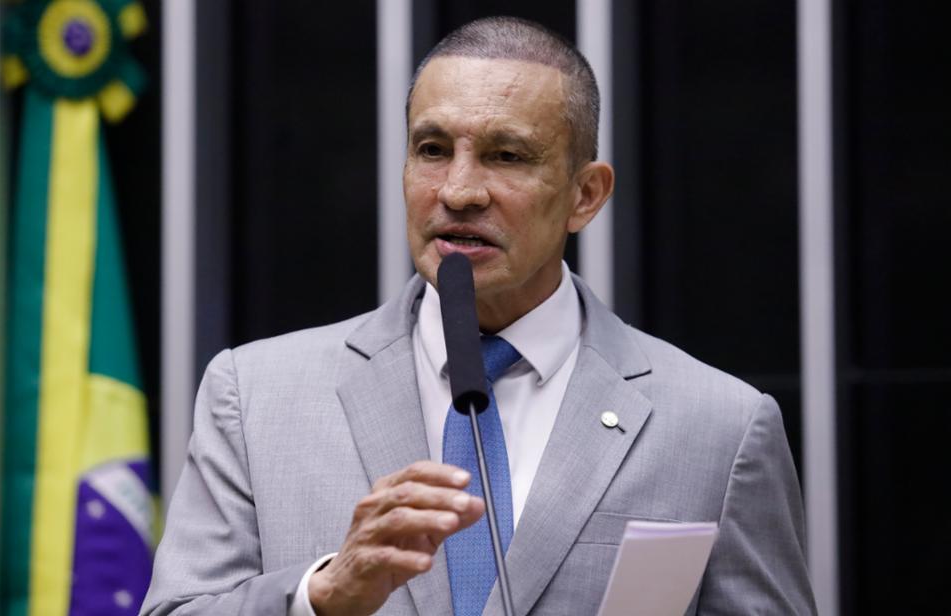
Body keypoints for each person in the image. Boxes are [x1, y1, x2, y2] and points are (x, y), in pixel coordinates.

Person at [142, 16, 816, 616]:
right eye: (432, 150)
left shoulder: (718, 426)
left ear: (585, 195)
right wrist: (320, 596)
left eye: (507, 156)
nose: (459, 191)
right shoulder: (256, 396)